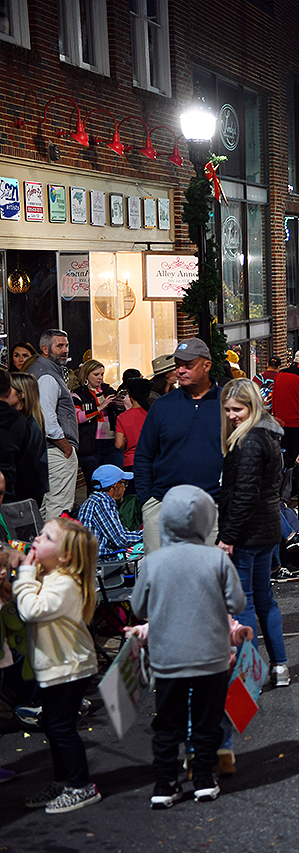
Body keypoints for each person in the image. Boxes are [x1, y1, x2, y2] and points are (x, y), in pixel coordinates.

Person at [132, 485, 246, 808]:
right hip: (211, 656)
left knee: (168, 722)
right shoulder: (216, 559)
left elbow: (139, 606)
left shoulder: (153, 563)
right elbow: (236, 601)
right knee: (207, 719)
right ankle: (205, 778)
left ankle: (165, 782)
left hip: (168, 658)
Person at [14, 518, 100, 814]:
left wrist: (25, 572)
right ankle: (63, 782)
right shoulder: (51, 575)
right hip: (57, 668)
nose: (37, 539)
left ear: (65, 556)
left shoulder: (65, 583)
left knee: (62, 728)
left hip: (69, 668)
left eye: (47, 537)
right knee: (53, 726)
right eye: (39, 533)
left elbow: (30, 610)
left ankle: (82, 786)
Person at [216, 378, 289, 689]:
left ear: (252, 406)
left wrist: (228, 536)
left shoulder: (246, 442)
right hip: (268, 527)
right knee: (265, 600)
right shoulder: (268, 435)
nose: (232, 415)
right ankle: (280, 667)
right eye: (228, 409)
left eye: (238, 409)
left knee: (244, 603)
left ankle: (248, 673)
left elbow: (244, 494)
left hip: (247, 533)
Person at [134, 339, 224, 554]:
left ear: (207, 366)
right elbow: (144, 455)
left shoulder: (228, 404)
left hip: (213, 506)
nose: (180, 370)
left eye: (188, 365)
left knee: (207, 580)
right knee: (161, 579)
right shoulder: (163, 406)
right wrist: (147, 501)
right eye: (177, 365)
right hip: (163, 504)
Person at [27, 329, 79, 519]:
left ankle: (40, 547)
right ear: (45, 349)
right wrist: (66, 447)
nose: (65, 350)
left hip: (44, 450)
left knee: (45, 507)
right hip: (55, 451)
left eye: (66, 345)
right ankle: (54, 548)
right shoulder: (47, 375)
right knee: (59, 508)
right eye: (59, 346)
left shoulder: (42, 371)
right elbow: (47, 417)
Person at [0, 368, 48, 504]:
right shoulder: (20, 421)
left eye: (9, 388)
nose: (5, 392)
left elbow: (27, 471)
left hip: (19, 500)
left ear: (22, 394)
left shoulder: (25, 424)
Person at [272, 350, 299, 499]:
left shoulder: (280, 375)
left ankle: (283, 488)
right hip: (298, 424)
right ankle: (295, 489)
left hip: (281, 424)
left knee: (285, 458)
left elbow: (274, 399)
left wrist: (276, 416)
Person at [77, 464, 143, 556]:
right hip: (104, 562)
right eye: (124, 484)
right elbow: (121, 539)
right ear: (116, 486)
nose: (124, 489)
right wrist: (148, 534)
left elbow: (121, 533)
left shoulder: (96, 500)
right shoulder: (101, 503)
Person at [114, 377, 152, 470]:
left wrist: (127, 440)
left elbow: (118, 444)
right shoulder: (152, 414)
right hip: (150, 459)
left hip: (130, 461)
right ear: (148, 395)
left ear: (130, 396)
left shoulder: (122, 417)